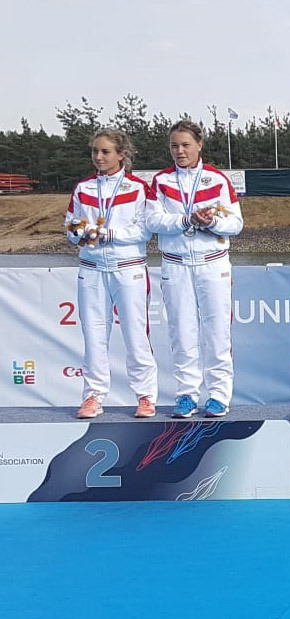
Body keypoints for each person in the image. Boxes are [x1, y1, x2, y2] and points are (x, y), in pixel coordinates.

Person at [146, 120, 243, 418]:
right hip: (176, 265)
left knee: (217, 332)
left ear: (199, 145)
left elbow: (236, 223)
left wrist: (212, 222)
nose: (180, 151)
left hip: (212, 263)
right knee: (181, 332)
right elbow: (152, 221)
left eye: (186, 145)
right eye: (174, 146)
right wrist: (186, 220)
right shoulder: (161, 181)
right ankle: (186, 394)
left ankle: (218, 395)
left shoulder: (217, 179)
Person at [67, 128, 158, 419]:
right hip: (92, 269)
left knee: (135, 334)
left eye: (105, 151)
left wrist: (108, 234)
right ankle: (93, 396)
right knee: (94, 335)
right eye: (95, 151)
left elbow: (145, 230)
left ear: (121, 154)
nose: (98, 156)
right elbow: (70, 225)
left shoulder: (137, 188)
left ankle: (145, 395)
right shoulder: (83, 188)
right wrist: (80, 232)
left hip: (128, 269)